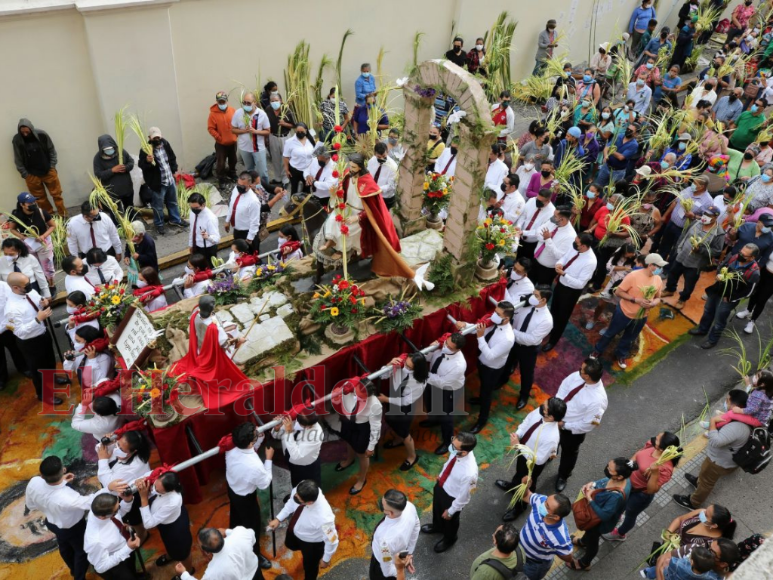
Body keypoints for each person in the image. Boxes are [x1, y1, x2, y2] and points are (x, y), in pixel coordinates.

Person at [316, 154, 414, 279]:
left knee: (348, 227)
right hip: (347, 208)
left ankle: (344, 250)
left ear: (360, 167)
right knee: (333, 218)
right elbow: (343, 193)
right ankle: (332, 241)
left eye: (353, 167)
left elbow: (373, 210)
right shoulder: (347, 175)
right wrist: (335, 194)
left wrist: (357, 218)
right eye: (350, 166)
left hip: (360, 215)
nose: (350, 169)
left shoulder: (368, 184)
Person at [674, 389, 752, 509]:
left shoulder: (735, 427)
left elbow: (716, 442)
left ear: (735, 405)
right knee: (704, 475)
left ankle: (693, 502)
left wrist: (712, 422)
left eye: (727, 400)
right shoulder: (744, 417)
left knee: (707, 482)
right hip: (723, 458)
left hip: (718, 463)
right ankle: (699, 482)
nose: (726, 402)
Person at [25, 456, 95, 580]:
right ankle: (79, 577)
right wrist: (110, 488)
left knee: (64, 546)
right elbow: (90, 502)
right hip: (73, 527)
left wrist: (62, 482)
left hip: (53, 523)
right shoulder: (68, 497)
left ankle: (73, 569)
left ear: (42, 475)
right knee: (81, 551)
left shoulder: (34, 482)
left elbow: (30, 505)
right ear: (63, 470)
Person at [590, 253, 665, 369]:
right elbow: (618, 292)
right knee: (610, 332)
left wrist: (653, 303)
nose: (661, 269)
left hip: (642, 316)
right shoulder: (633, 276)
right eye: (659, 266)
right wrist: (636, 300)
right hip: (624, 312)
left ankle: (621, 354)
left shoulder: (658, 279)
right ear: (651, 265)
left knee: (630, 337)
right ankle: (598, 350)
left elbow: (658, 297)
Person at [604, 432, 682, 542]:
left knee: (630, 515)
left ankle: (620, 533)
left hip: (640, 495)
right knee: (620, 504)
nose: (655, 438)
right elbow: (640, 453)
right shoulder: (652, 445)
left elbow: (651, 490)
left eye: (658, 439)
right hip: (628, 485)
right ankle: (619, 515)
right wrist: (630, 464)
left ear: (661, 448)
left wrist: (655, 473)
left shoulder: (665, 468)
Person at [498, 397, 567, 521]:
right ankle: (513, 486)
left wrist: (518, 445)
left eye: (545, 407)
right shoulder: (540, 412)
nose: (541, 406)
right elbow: (527, 421)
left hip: (532, 463)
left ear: (551, 417)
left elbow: (539, 460)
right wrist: (518, 435)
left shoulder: (552, 438)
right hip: (523, 451)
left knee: (527, 483)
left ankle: (520, 507)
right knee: (519, 474)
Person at [566, 457, 635, 571]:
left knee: (593, 540)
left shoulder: (615, 496)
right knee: (589, 533)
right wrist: (592, 484)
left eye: (610, 470)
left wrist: (590, 499)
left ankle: (584, 563)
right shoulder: (623, 479)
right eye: (608, 466)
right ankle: (583, 542)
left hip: (599, 523)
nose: (607, 470)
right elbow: (604, 481)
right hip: (595, 519)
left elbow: (604, 515)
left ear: (619, 476)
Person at [688, 244, 760, 349]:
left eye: (744, 255)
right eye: (740, 252)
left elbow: (749, 292)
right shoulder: (734, 257)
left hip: (728, 299)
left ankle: (712, 340)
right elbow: (722, 266)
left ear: (752, 258)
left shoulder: (754, 272)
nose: (740, 255)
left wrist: (731, 298)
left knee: (719, 320)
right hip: (717, 290)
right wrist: (718, 275)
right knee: (708, 310)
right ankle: (702, 329)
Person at [461, 301, 515, 433]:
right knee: (482, 384)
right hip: (481, 361)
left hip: (492, 368)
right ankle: (480, 400)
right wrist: (465, 326)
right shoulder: (494, 322)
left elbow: (490, 355)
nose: (493, 315)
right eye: (495, 312)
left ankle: (482, 420)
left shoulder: (507, 338)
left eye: (497, 314)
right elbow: (480, 328)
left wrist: (479, 337)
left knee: (486, 393)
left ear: (506, 318)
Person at [4, 272, 60, 404]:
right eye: (26, 285)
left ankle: (53, 378)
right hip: (30, 342)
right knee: (38, 369)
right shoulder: (11, 308)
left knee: (50, 360)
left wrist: (43, 303)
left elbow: (38, 303)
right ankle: (44, 394)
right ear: (15, 288)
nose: (29, 286)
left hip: (43, 332)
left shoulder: (30, 292)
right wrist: (37, 319)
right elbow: (19, 332)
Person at [225, 422, 273, 570]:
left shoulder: (231, 447)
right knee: (252, 527)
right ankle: (254, 554)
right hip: (246, 497)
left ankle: (233, 538)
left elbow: (250, 448)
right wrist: (269, 459)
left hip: (232, 489)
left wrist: (258, 438)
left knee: (236, 517)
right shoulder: (254, 465)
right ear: (250, 442)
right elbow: (265, 483)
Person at [420, 431, 478, 553]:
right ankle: (437, 526)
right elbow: (449, 463)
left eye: (454, 447)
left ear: (464, 452)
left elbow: (465, 496)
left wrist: (451, 511)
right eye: (452, 443)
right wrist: (441, 475)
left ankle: (450, 538)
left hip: (453, 498)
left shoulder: (470, 473)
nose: (451, 447)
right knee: (437, 509)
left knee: (450, 520)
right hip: (442, 486)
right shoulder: (457, 452)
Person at [268, 480, 338, 580]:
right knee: (291, 544)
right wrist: (278, 518)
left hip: (311, 544)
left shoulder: (325, 519)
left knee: (310, 566)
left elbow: (333, 540)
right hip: (296, 531)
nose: (294, 497)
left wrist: (326, 559)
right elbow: (291, 503)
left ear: (309, 502)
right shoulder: (301, 488)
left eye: (299, 499)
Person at [663, 206, 725, 309]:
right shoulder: (696, 222)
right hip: (681, 255)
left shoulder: (719, 233)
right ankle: (670, 289)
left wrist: (700, 250)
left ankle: (682, 299)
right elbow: (685, 235)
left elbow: (717, 251)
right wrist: (678, 249)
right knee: (673, 273)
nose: (705, 217)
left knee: (689, 283)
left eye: (709, 215)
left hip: (695, 264)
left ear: (715, 217)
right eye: (705, 214)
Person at [96, 429, 152, 543]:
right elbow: (99, 449)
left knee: (134, 519)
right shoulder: (125, 452)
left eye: (121, 449)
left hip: (131, 494)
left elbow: (109, 483)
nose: (117, 449)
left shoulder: (134, 467)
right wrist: (108, 443)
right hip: (121, 489)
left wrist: (102, 460)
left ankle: (142, 536)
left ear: (134, 451)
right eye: (118, 443)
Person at [544, 233, 597, 350]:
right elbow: (565, 257)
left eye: (577, 243)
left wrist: (564, 274)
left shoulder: (590, 261)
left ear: (583, 246)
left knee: (562, 316)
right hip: (561, 284)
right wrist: (560, 264)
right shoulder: (575, 248)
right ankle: (548, 329)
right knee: (554, 308)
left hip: (571, 292)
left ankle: (553, 340)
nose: (574, 243)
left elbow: (580, 284)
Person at [512, 477, 573, 579]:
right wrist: (525, 487)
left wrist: (554, 550)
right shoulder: (541, 500)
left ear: (556, 517)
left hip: (533, 564)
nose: (543, 504)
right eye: (546, 501)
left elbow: (568, 556)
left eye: (547, 506)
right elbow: (526, 496)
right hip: (517, 550)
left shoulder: (559, 537)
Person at [504, 285, 554, 410]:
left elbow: (531, 339)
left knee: (526, 373)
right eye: (533, 293)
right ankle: (502, 379)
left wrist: (511, 331)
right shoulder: (526, 305)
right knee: (508, 361)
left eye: (536, 295)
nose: (532, 297)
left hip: (528, 349)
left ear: (543, 300)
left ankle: (524, 395)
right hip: (513, 342)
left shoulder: (546, 320)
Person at [378, 352, 428, 472]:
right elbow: (382, 376)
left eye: (410, 367)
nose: (405, 367)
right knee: (390, 420)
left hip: (404, 407)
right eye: (406, 363)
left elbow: (406, 401)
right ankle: (399, 439)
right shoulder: (400, 365)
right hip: (393, 399)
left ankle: (412, 456)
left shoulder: (419, 382)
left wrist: (386, 399)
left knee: (405, 432)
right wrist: (389, 364)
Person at [331, 378, 382, 495]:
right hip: (348, 420)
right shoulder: (347, 386)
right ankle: (350, 459)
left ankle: (362, 479)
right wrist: (337, 399)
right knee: (348, 440)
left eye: (362, 397)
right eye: (356, 394)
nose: (357, 398)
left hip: (363, 427)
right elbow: (338, 400)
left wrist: (371, 447)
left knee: (362, 454)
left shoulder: (375, 405)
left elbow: (376, 427)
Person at [135, 472, 194, 573]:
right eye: (155, 486)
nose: (154, 490)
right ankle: (170, 555)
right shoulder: (160, 476)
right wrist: (139, 481)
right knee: (168, 543)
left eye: (158, 490)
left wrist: (144, 498)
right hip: (164, 525)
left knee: (183, 552)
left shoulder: (173, 501)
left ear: (169, 491)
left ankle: (189, 571)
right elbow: (147, 476)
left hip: (175, 528)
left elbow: (148, 524)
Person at [421, 333, 468, 454]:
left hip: (448, 390)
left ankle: (448, 442)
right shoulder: (440, 347)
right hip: (432, 382)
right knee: (429, 402)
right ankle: (433, 420)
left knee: (446, 417)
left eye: (450, 347)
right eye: (446, 343)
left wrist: (425, 375)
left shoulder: (458, 365)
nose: (446, 347)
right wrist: (430, 349)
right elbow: (426, 358)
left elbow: (443, 383)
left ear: (458, 349)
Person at [137, 127, 187, 235]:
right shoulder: (145, 149)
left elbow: (172, 158)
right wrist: (147, 161)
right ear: (150, 138)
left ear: (161, 136)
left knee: (173, 202)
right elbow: (141, 165)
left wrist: (174, 170)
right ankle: (159, 225)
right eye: (154, 138)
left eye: (158, 137)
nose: (157, 139)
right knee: (158, 206)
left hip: (169, 179)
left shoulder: (165, 144)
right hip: (158, 184)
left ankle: (175, 220)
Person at [12, 118, 66, 215]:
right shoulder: (17, 140)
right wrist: (25, 175)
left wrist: (52, 166)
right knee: (40, 199)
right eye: (22, 132)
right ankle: (50, 217)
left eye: (26, 131)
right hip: (32, 175)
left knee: (57, 195)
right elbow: (18, 158)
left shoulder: (42, 135)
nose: (25, 134)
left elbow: (51, 150)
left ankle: (63, 215)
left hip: (48, 171)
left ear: (31, 128)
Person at [83, 492, 142, 579]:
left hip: (124, 548)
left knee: (132, 569)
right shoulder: (96, 541)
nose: (119, 509)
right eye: (116, 510)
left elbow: (119, 513)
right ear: (103, 517)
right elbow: (101, 567)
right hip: (113, 564)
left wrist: (127, 501)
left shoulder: (100, 510)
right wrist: (128, 548)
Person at [658, 176, 713, 264]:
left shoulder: (708, 201)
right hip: (672, 223)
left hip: (684, 230)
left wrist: (694, 216)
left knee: (676, 249)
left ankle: (667, 269)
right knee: (664, 244)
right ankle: (658, 263)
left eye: (695, 183)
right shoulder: (688, 189)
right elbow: (675, 202)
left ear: (702, 187)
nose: (692, 185)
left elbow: (706, 219)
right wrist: (665, 216)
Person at [9, 192, 56, 294]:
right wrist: (22, 237)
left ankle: (51, 285)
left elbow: (53, 226)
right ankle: (41, 286)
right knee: (35, 266)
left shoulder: (41, 212)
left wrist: (43, 236)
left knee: (47, 265)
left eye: (34, 201)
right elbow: (12, 229)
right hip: (28, 245)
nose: (33, 204)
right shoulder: (16, 215)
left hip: (44, 243)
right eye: (30, 203)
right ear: (22, 204)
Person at [370, 489, 420, 580]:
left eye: (383, 506)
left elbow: (387, 571)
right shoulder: (409, 507)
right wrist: (408, 554)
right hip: (398, 557)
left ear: (390, 513)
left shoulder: (384, 539)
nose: (381, 505)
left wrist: (399, 569)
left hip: (382, 566)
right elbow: (416, 527)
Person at [178, 527, 261, 580]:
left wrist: (184, 573)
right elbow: (252, 536)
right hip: (256, 573)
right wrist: (227, 531)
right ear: (220, 533)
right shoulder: (240, 533)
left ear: (207, 552)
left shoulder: (213, 571)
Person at [659, 503, 738, 553]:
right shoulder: (701, 512)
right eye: (706, 510)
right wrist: (668, 533)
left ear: (714, 525)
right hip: (667, 544)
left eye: (706, 515)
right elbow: (679, 520)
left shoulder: (711, 544)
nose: (702, 512)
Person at [271, 411, 323, 487]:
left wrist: (289, 432)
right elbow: (277, 436)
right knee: (297, 485)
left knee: (313, 487)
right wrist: (276, 429)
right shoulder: (290, 420)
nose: (309, 427)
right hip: (291, 461)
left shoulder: (316, 434)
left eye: (312, 425)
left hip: (307, 465)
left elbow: (295, 455)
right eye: (307, 425)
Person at [707, 369, 772, 429]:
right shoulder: (764, 391)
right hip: (758, 417)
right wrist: (748, 384)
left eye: (757, 377)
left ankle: (713, 427)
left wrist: (740, 410)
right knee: (734, 412)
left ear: (763, 384)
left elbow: (753, 409)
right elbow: (752, 397)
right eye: (756, 375)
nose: (754, 377)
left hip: (757, 420)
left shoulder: (759, 395)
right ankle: (718, 421)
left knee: (731, 414)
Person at [530, 206, 577, 286]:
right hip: (535, 260)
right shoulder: (552, 222)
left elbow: (559, 255)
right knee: (530, 283)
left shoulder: (570, 236)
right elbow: (538, 231)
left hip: (547, 270)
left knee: (541, 291)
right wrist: (544, 238)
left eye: (555, 216)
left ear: (562, 219)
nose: (552, 217)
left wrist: (548, 240)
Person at [231, 92, 270, 180]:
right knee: (249, 171)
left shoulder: (261, 114)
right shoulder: (238, 113)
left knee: (262, 172)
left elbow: (268, 131)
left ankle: (264, 191)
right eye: (244, 102)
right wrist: (244, 130)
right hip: (244, 148)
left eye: (248, 103)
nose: (246, 105)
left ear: (254, 102)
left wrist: (255, 131)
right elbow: (233, 129)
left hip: (258, 148)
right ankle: (252, 190)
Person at [93, 134, 135, 215]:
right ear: (102, 149)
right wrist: (112, 170)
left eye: (110, 148)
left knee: (130, 210)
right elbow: (98, 174)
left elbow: (131, 162)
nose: (109, 151)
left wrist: (125, 167)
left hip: (127, 189)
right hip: (112, 193)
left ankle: (132, 224)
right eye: (106, 149)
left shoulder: (121, 152)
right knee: (115, 213)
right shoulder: (97, 158)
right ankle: (118, 226)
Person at [224, 172, 261, 254]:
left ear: (250, 185)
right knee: (238, 254)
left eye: (242, 186)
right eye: (238, 184)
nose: (239, 187)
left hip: (247, 233)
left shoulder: (253, 201)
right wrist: (227, 220)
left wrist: (249, 239)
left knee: (250, 257)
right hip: (237, 231)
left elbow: (255, 222)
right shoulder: (235, 190)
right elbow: (232, 205)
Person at [208, 91, 238, 188]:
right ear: (217, 102)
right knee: (221, 162)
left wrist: (237, 135)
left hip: (233, 142)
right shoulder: (213, 114)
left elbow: (238, 123)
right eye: (220, 102)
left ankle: (232, 172)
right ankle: (221, 178)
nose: (222, 104)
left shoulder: (233, 110)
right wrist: (218, 137)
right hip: (221, 143)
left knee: (233, 159)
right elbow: (211, 128)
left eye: (223, 102)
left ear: (227, 101)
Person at [266, 92, 296, 185]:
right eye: (272, 101)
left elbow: (294, 125)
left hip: (285, 137)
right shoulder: (268, 109)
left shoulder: (287, 110)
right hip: (273, 136)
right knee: (275, 158)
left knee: (285, 158)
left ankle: (285, 179)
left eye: (276, 100)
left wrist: (284, 124)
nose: (274, 103)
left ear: (281, 101)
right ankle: (277, 178)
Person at [645, 546, 724, 580]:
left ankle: (648, 572)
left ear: (692, 562)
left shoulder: (678, 564)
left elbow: (666, 562)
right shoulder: (711, 577)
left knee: (662, 569)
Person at [187, 192, 221, 267]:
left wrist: (208, 237)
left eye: (196, 208)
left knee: (209, 269)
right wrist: (191, 245)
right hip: (197, 246)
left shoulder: (210, 218)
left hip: (208, 249)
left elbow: (217, 238)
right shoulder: (192, 213)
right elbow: (192, 229)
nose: (194, 210)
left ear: (203, 204)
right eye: (192, 207)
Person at [283, 122, 315, 194]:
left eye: (302, 132)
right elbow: (286, 157)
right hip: (295, 170)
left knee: (307, 190)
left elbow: (314, 154)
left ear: (306, 131)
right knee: (295, 190)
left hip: (308, 171)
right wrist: (286, 170)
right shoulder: (290, 142)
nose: (300, 133)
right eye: (298, 132)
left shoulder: (310, 140)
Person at [368, 142, 399, 209]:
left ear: (387, 152)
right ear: (375, 154)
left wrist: (377, 189)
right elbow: (369, 175)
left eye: (384, 156)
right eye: (379, 157)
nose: (382, 159)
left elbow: (392, 186)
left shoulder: (393, 166)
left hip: (385, 198)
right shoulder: (371, 161)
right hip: (372, 194)